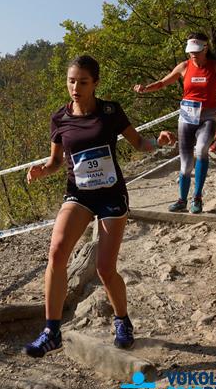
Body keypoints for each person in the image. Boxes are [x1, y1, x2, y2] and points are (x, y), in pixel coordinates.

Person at [24, 55, 176, 356]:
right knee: (57, 253)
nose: (75, 88)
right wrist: (42, 170)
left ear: (95, 83)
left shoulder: (110, 111)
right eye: (71, 81)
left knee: (105, 269)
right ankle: (51, 331)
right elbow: (56, 161)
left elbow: (139, 143)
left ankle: (122, 320)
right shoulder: (59, 118)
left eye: (82, 82)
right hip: (79, 194)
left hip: (110, 195)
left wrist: (158, 142)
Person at [133, 33, 216, 214]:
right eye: (191, 51)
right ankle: (182, 200)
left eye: (197, 51)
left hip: (207, 116)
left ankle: (197, 197)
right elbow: (162, 83)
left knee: (202, 149)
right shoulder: (184, 66)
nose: (193, 55)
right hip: (187, 118)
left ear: (205, 49)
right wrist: (145, 88)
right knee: (186, 164)